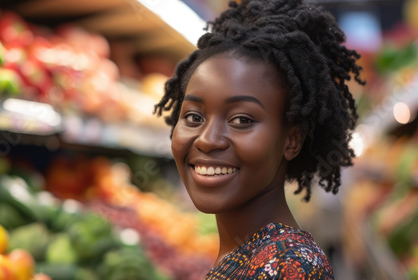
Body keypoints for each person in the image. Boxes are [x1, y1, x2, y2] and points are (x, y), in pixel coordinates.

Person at [154, 0, 365, 279]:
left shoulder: (288, 267)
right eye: (194, 117)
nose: (207, 139)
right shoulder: (255, 254)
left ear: (292, 140)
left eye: (242, 120)